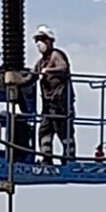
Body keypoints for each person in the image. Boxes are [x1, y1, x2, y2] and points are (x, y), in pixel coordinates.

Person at [32, 25, 76, 165]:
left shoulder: (56, 55)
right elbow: (31, 77)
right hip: (48, 104)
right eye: (37, 40)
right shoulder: (41, 62)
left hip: (61, 103)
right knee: (45, 131)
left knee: (63, 131)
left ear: (50, 41)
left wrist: (49, 71)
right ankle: (46, 158)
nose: (39, 43)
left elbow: (64, 68)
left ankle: (69, 158)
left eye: (42, 39)